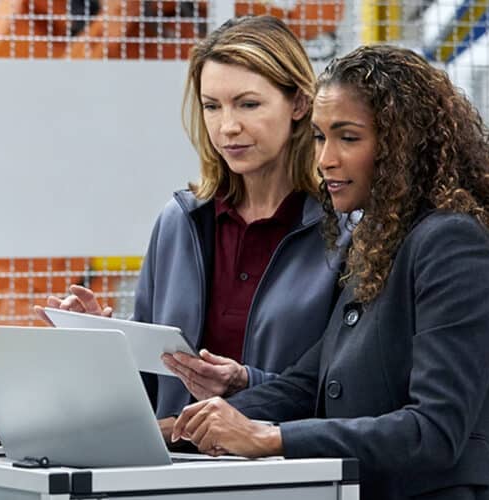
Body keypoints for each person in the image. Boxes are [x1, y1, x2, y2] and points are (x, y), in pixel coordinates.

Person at [169, 45, 489, 500]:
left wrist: (270, 437)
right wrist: (179, 429)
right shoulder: (385, 241)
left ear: (403, 145)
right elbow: (311, 383)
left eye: (349, 138)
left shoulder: (454, 244)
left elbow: (434, 431)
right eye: (322, 137)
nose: (325, 158)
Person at [35, 16, 343, 427]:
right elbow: (148, 388)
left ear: (300, 104)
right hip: (176, 476)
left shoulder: (344, 232)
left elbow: (349, 390)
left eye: (248, 104)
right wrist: (101, 345)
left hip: (294, 476)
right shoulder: (180, 222)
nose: (227, 127)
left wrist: (247, 385)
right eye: (212, 106)